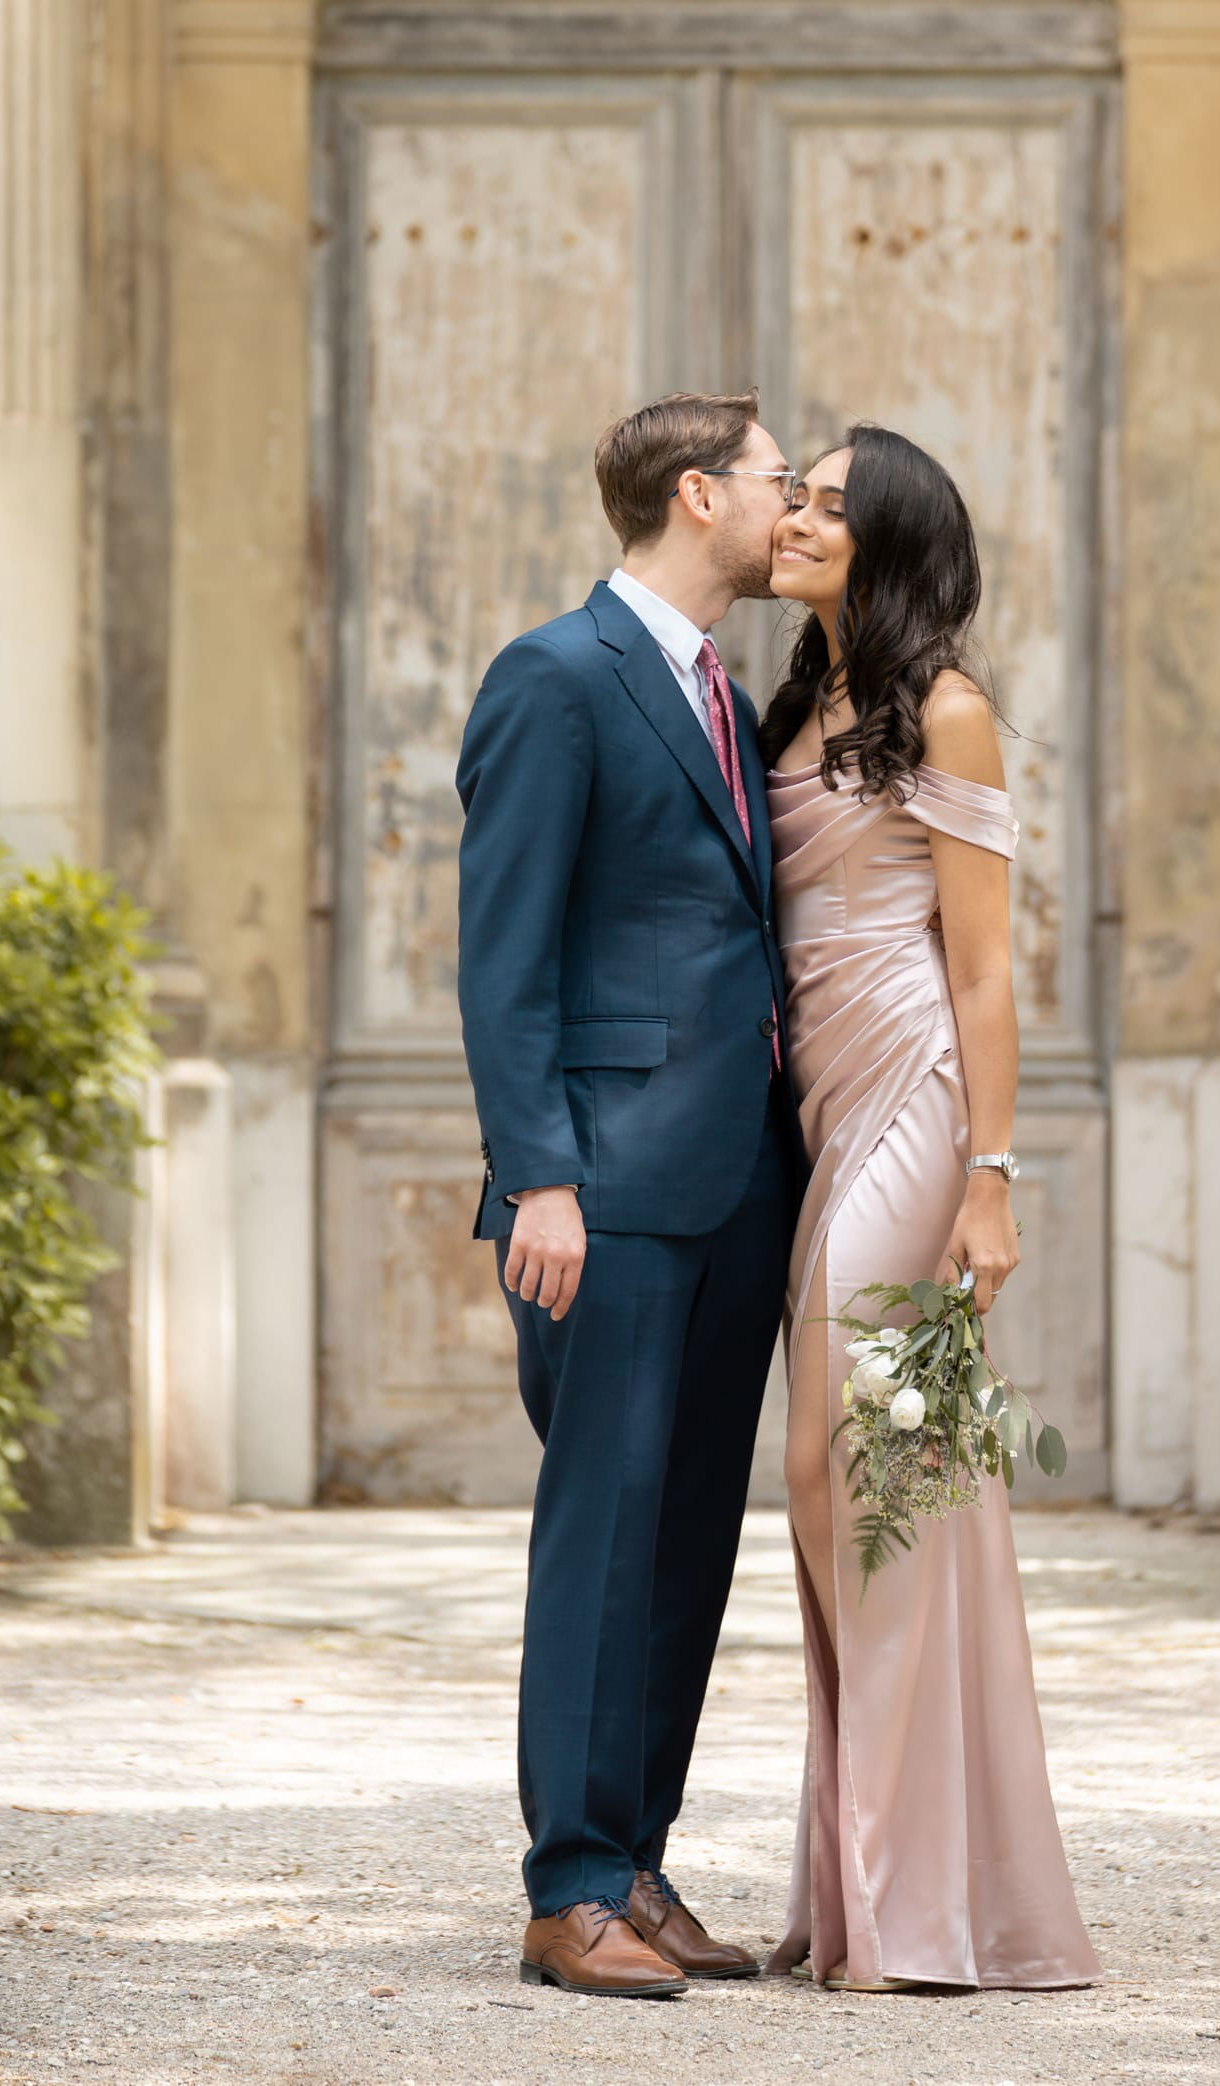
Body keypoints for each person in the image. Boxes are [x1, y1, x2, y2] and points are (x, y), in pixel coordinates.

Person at [455, 390, 807, 2002]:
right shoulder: (555, 674)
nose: (790, 503)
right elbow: (503, 952)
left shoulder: (729, 694)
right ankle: (568, 1885)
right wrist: (539, 1174)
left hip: (739, 1177)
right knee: (601, 1526)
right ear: (696, 495)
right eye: (771, 480)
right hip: (603, 1184)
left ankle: (638, 1856)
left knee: (685, 1535)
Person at [759, 424, 1100, 1993]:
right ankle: (889, 1885)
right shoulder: (795, 699)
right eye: (800, 496)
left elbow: (982, 965)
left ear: (888, 536)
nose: (801, 517)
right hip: (825, 1109)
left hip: (910, 1102)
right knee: (859, 1481)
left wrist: (993, 1177)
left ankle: (899, 1892)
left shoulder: (947, 711)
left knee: (842, 1459)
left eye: (831, 503)